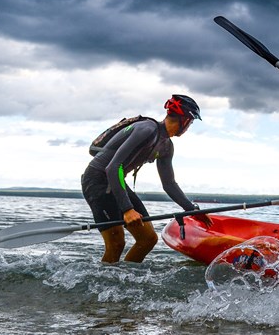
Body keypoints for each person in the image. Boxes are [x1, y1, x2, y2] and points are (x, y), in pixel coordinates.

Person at [81, 95, 212, 263]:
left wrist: (192, 209)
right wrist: (127, 209)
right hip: (97, 181)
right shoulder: (147, 129)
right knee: (116, 244)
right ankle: (103, 284)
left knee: (148, 239)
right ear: (185, 120)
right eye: (191, 123)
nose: (189, 128)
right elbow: (113, 167)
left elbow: (169, 184)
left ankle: (126, 280)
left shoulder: (166, 146)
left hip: (115, 181)